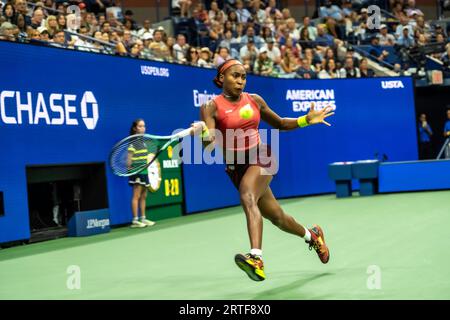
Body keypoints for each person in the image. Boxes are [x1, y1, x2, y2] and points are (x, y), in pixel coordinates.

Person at [190, 59, 333, 281]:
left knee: (247, 195)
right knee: (277, 217)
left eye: (243, 76)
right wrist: (202, 134)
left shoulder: (254, 100)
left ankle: (256, 258)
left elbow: (281, 124)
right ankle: (312, 236)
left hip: (261, 157)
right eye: (234, 76)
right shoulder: (210, 107)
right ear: (220, 79)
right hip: (235, 168)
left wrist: (306, 119)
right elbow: (210, 144)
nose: (240, 81)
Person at [127, 119, 156, 228]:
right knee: (136, 196)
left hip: (144, 171)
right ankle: (135, 220)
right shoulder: (133, 142)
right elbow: (129, 160)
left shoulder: (143, 142)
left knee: (144, 196)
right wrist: (132, 170)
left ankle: (143, 218)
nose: (143, 128)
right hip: (137, 172)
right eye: (140, 126)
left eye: (144, 126)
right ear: (135, 128)